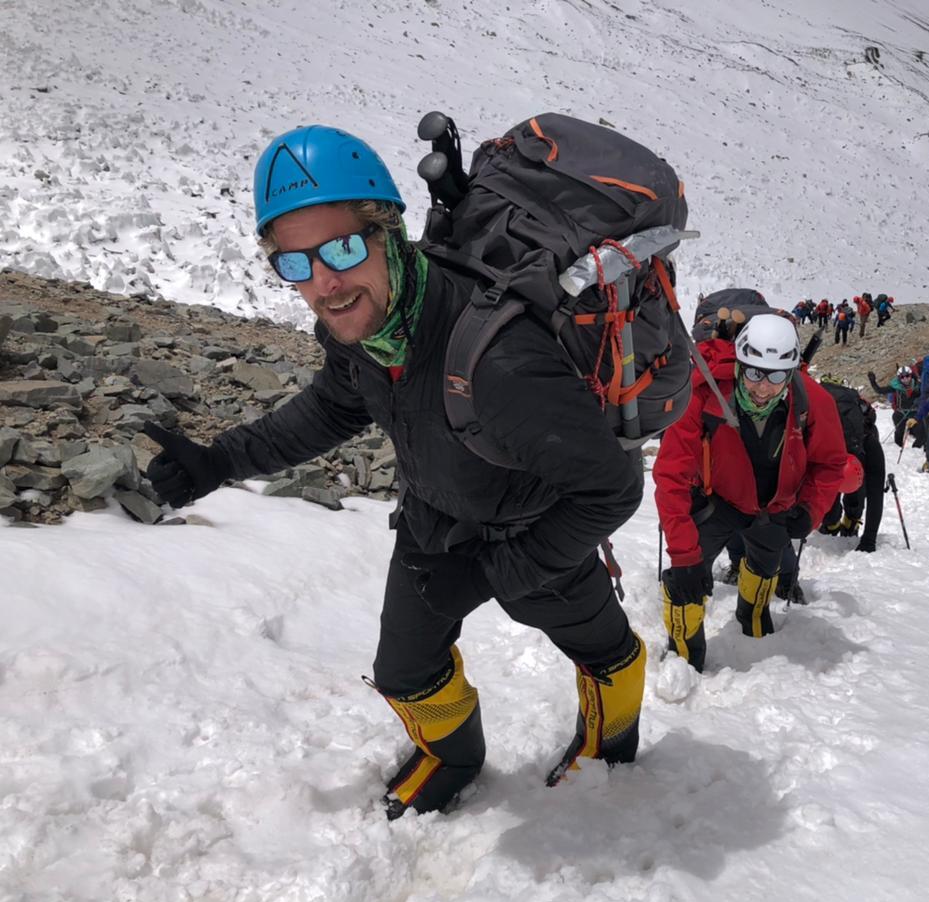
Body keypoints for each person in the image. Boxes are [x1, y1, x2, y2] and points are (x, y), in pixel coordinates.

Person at [141, 125, 648, 820]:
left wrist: (492, 576)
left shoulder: (501, 361)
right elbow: (332, 406)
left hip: (537, 529)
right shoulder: (364, 331)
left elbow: (611, 488)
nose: (325, 284)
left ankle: (613, 738)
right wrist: (220, 460)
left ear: (389, 232)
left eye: (343, 249)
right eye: (296, 265)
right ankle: (454, 756)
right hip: (433, 522)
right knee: (406, 672)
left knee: (601, 647)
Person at [653, 312, 845, 670]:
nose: (762, 387)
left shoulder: (813, 403)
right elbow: (671, 476)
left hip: (774, 509)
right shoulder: (701, 395)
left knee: (764, 567)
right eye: (754, 372)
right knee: (685, 581)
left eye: (775, 377)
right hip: (715, 502)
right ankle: (684, 659)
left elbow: (830, 465)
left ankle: (754, 629)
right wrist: (682, 556)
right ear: (740, 363)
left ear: (791, 374)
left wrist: (810, 510)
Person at [817, 377, 886, 552]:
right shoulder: (823, 446)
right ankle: (840, 523)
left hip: (856, 446)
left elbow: (875, 494)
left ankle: (840, 523)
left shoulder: (868, 445)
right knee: (830, 486)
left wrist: (869, 539)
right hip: (838, 452)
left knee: (842, 490)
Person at [868, 364, 921, 448]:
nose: (905, 379)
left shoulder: (918, 385)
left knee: (921, 434)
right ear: (899, 378)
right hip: (900, 413)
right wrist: (873, 382)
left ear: (911, 375)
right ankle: (897, 448)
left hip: (915, 413)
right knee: (899, 432)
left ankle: (916, 449)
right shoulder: (895, 387)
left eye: (907, 376)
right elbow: (880, 390)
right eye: (902, 377)